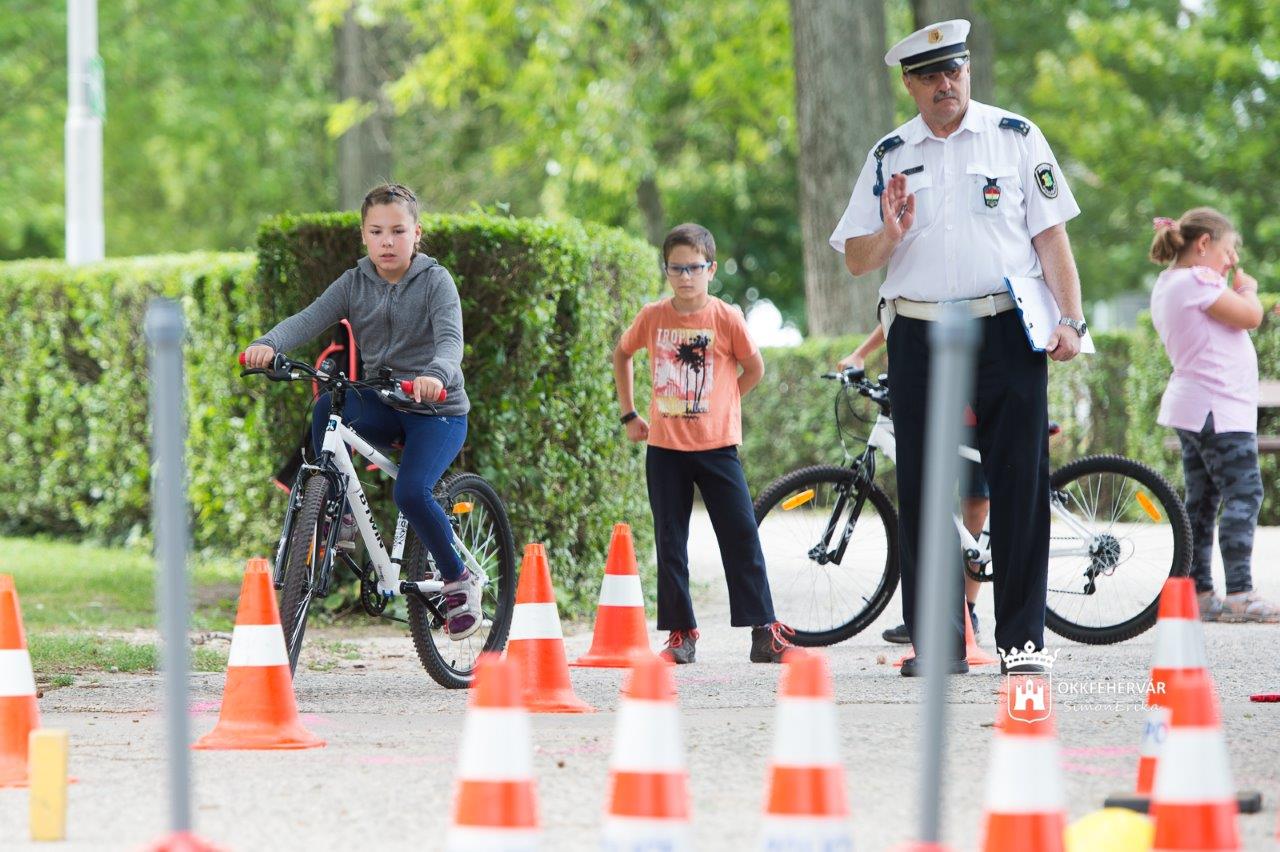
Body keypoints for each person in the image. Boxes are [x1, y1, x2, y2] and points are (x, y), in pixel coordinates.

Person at [829, 19, 1086, 676]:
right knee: (921, 485)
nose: (946, 83)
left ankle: (1022, 645)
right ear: (910, 85)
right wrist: (889, 236)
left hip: (1004, 326)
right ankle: (940, 644)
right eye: (931, 75)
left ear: (967, 71)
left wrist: (1071, 320)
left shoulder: (1016, 137)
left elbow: (1051, 237)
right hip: (918, 332)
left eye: (955, 69)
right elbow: (856, 258)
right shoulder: (889, 153)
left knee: (1018, 481)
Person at [242, 183, 481, 640]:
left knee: (411, 492)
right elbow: (309, 318)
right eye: (376, 232)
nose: (387, 241)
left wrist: (435, 374)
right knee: (326, 410)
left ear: (416, 234)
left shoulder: (436, 282)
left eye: (398, 231)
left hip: (437, 411)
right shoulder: (355, 281)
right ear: (364, 235)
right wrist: (269, 344)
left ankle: (458, 580)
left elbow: (451, 342)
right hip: (384, 401)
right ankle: (336, 508)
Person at [613, 223, 795, 664]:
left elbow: (754, 369)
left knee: (740, 535)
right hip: (665, 450)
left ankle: (763, 632)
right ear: (666, 270)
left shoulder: (725, 317)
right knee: (670, 541)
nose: (685, 276)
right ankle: (682, 634)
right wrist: (629, 413)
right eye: (676, 268)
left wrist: (724, 401)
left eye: (694, 267)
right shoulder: (653, 316)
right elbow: (623, 353)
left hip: (717, 448)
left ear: (711, 269)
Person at [1148, 208, 1278, 622]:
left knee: (1203, 502)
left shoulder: (1171, 282)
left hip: (1197, 408)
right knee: (1245, 494)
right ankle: (1241, 593)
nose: (1232, 260)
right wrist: (1249, 290)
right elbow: (1251, 316)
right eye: (1228, 250)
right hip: (1217, 409)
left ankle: (1200, 592)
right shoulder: (1197, 281)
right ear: (1204, 244)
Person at [838, 331, 988, 644]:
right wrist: (860, 353)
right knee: (928, 508)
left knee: (974, 505)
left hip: (976, 409)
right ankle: (930, 613)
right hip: (938, 409)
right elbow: (896, 314)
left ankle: (967, 611)